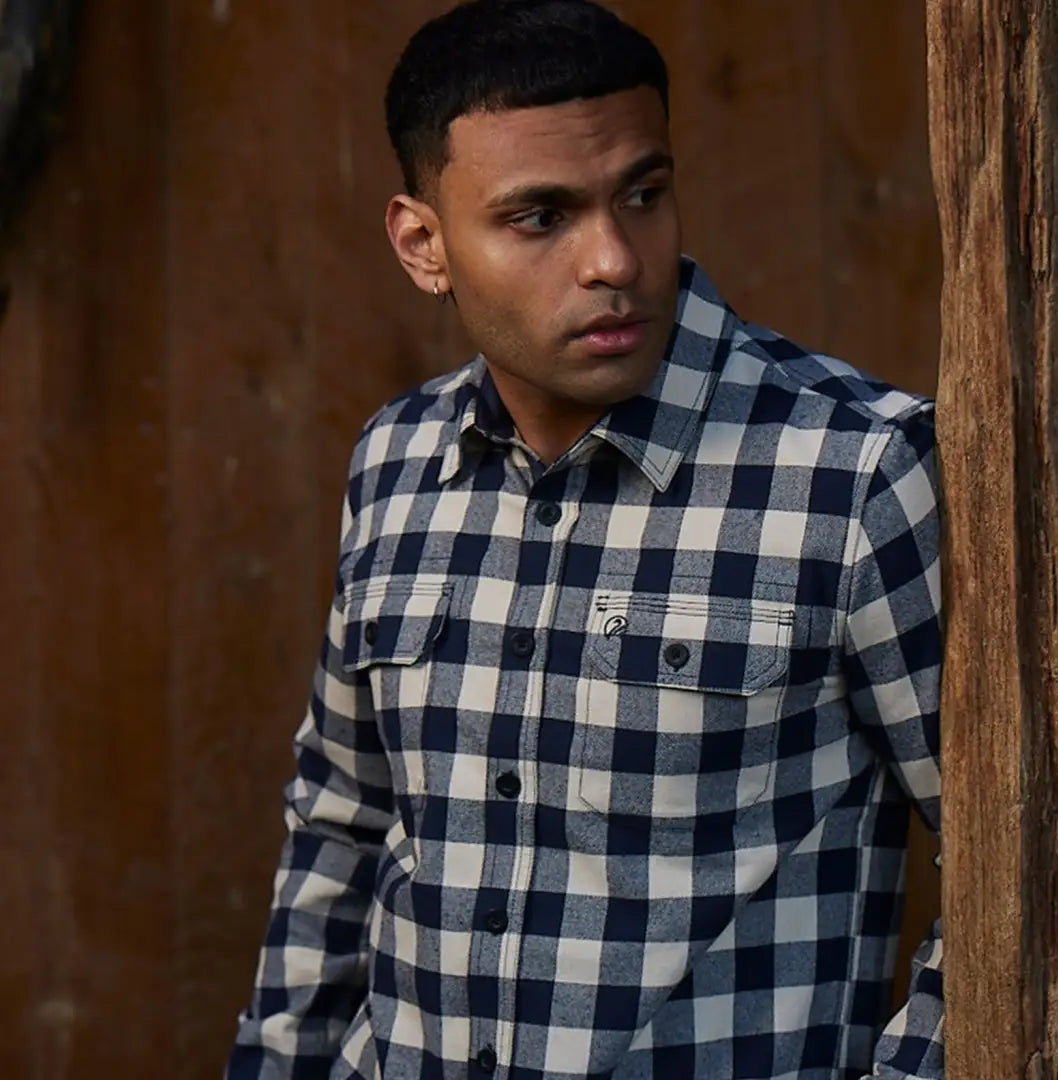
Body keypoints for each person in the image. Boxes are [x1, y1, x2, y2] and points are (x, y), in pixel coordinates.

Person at [225, 1, 944, 1077]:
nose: (614, 258)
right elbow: (341, 822)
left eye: (643, 196)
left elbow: (1032, 871)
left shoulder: (855, 473)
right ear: (424, 244)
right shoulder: (395, 462)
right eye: (541, 217)